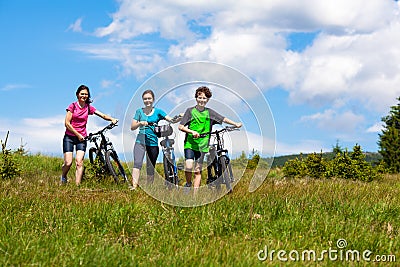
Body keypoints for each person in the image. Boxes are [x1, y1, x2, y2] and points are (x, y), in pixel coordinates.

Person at [178, 86, 242, 192]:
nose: (202, 100)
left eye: (204, 98)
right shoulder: (190, 111)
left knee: (198, 171)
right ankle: (188, 183)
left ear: (207, 100)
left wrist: (235, 124)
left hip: (203, 146)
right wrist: (192, 132)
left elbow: (222, 118)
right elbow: (180, 127)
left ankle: (194, 197)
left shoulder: (210, 112)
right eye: (200, 97)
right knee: (189, 167)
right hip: (190, 144)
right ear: (196, 98)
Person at [61, 84, 118, 185]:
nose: (84, 96)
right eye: (82, 94)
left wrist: (112, 119)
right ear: (77, 95)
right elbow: (67, 123)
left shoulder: (88, 108)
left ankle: (77, 186)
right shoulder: (72, 106)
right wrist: (77, 134)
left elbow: (102, 115)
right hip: (69, 137)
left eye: (86, 94)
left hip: (82, 138)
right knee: (68, 163)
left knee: (79, 162)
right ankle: (64, 176)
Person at [130, 89, 180, 190]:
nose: (147, 100)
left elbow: (171, 120)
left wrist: (180, 116)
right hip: (140, 141)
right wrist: (140, 123)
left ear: (153, 99)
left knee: (150, 166)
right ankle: (134, 187)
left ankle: (149, 187)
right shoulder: (139, 112)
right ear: (143, 100)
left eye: (149, 98)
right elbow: (132, 126)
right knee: (137, 163)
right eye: (145, 99)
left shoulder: (158, 112)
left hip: (152, 142)